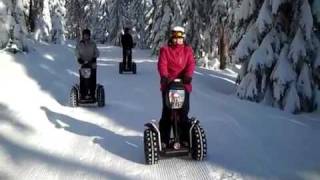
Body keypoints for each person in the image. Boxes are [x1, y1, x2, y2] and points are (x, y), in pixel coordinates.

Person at [157, 26, 196, 147]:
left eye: (179, 38)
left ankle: (184, 138)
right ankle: (164, 139)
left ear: (183, 38)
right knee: (167, 112)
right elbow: (162, 64)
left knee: (183, 112)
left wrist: (188, 76)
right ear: (172, 38)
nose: (177, 40)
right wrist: (164, 76)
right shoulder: (165, 50)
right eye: (175, 38)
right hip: (168, 84)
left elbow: (191, 64)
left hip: (183, 84)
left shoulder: (187, 50)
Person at [75, 29, 100, 99]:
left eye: (87, 35)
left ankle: (92, 94)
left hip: (92, 64)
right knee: (83, 79)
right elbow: (76, 52)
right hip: (83, 64)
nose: (86, 36)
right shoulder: (80, 44)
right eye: (85, 35)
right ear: (83, 36)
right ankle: (83, 94)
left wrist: (94, 58)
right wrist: (79, 59)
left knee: (92, 79)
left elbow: (97, 52)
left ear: (89, 36)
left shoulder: (93, 43)